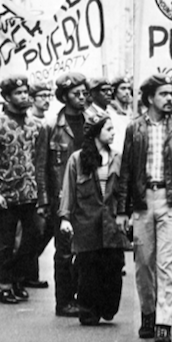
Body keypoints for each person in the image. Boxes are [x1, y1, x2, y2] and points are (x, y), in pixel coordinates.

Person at [116, 74, 172, 342]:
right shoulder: (134, 128)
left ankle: (164, 321)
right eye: (163, 94)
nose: (169, 99)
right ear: (150, 98)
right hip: (143, 202)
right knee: (143, 263)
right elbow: (126, 171)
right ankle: (148, 313)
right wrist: (122, 210)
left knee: (167, 263)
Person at [0, 74, 48, 304]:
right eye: (18, 93)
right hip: (6, 194)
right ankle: (5, 285)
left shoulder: (34, 126)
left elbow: (38, 159)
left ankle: (18, 276)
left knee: (35, 235)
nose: (24, 96)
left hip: (28, 192)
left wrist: (40, 191)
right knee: (6, 242)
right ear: (7, 97)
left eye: (26, 92)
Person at [59, 115, 127, 325]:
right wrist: (65, 218)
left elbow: (126, 189)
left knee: (113, 266)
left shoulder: (118, 157)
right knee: (88, 269)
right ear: (96, 132)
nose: (113, 133)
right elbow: (68, 189)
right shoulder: (78, 160)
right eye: (108, 129)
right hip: (86, 221)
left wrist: (128, 214)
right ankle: (88, 310)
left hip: (112, 222)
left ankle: (108, 307)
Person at [44, 72, 89, 317]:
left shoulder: (93, 122)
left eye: (84, 93)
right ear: (64, 96)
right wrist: (43, 200)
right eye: (75, 93)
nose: (81, 97)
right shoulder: (51, 126)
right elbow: (42, 165)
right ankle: (64, 301)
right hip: (62, 197)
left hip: (88, 194)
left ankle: (83, 296)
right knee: (64, 251)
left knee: (86, 249)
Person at [23, 81, 55, 289]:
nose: (45, 100)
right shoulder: (28, 121)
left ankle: (27, 267)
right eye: (41, 96)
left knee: (48, 228)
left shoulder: (52, 122)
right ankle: (26, 272)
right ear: (32, 99)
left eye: (48, 95)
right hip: (30, 180)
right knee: (34, 229)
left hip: (48, 180)